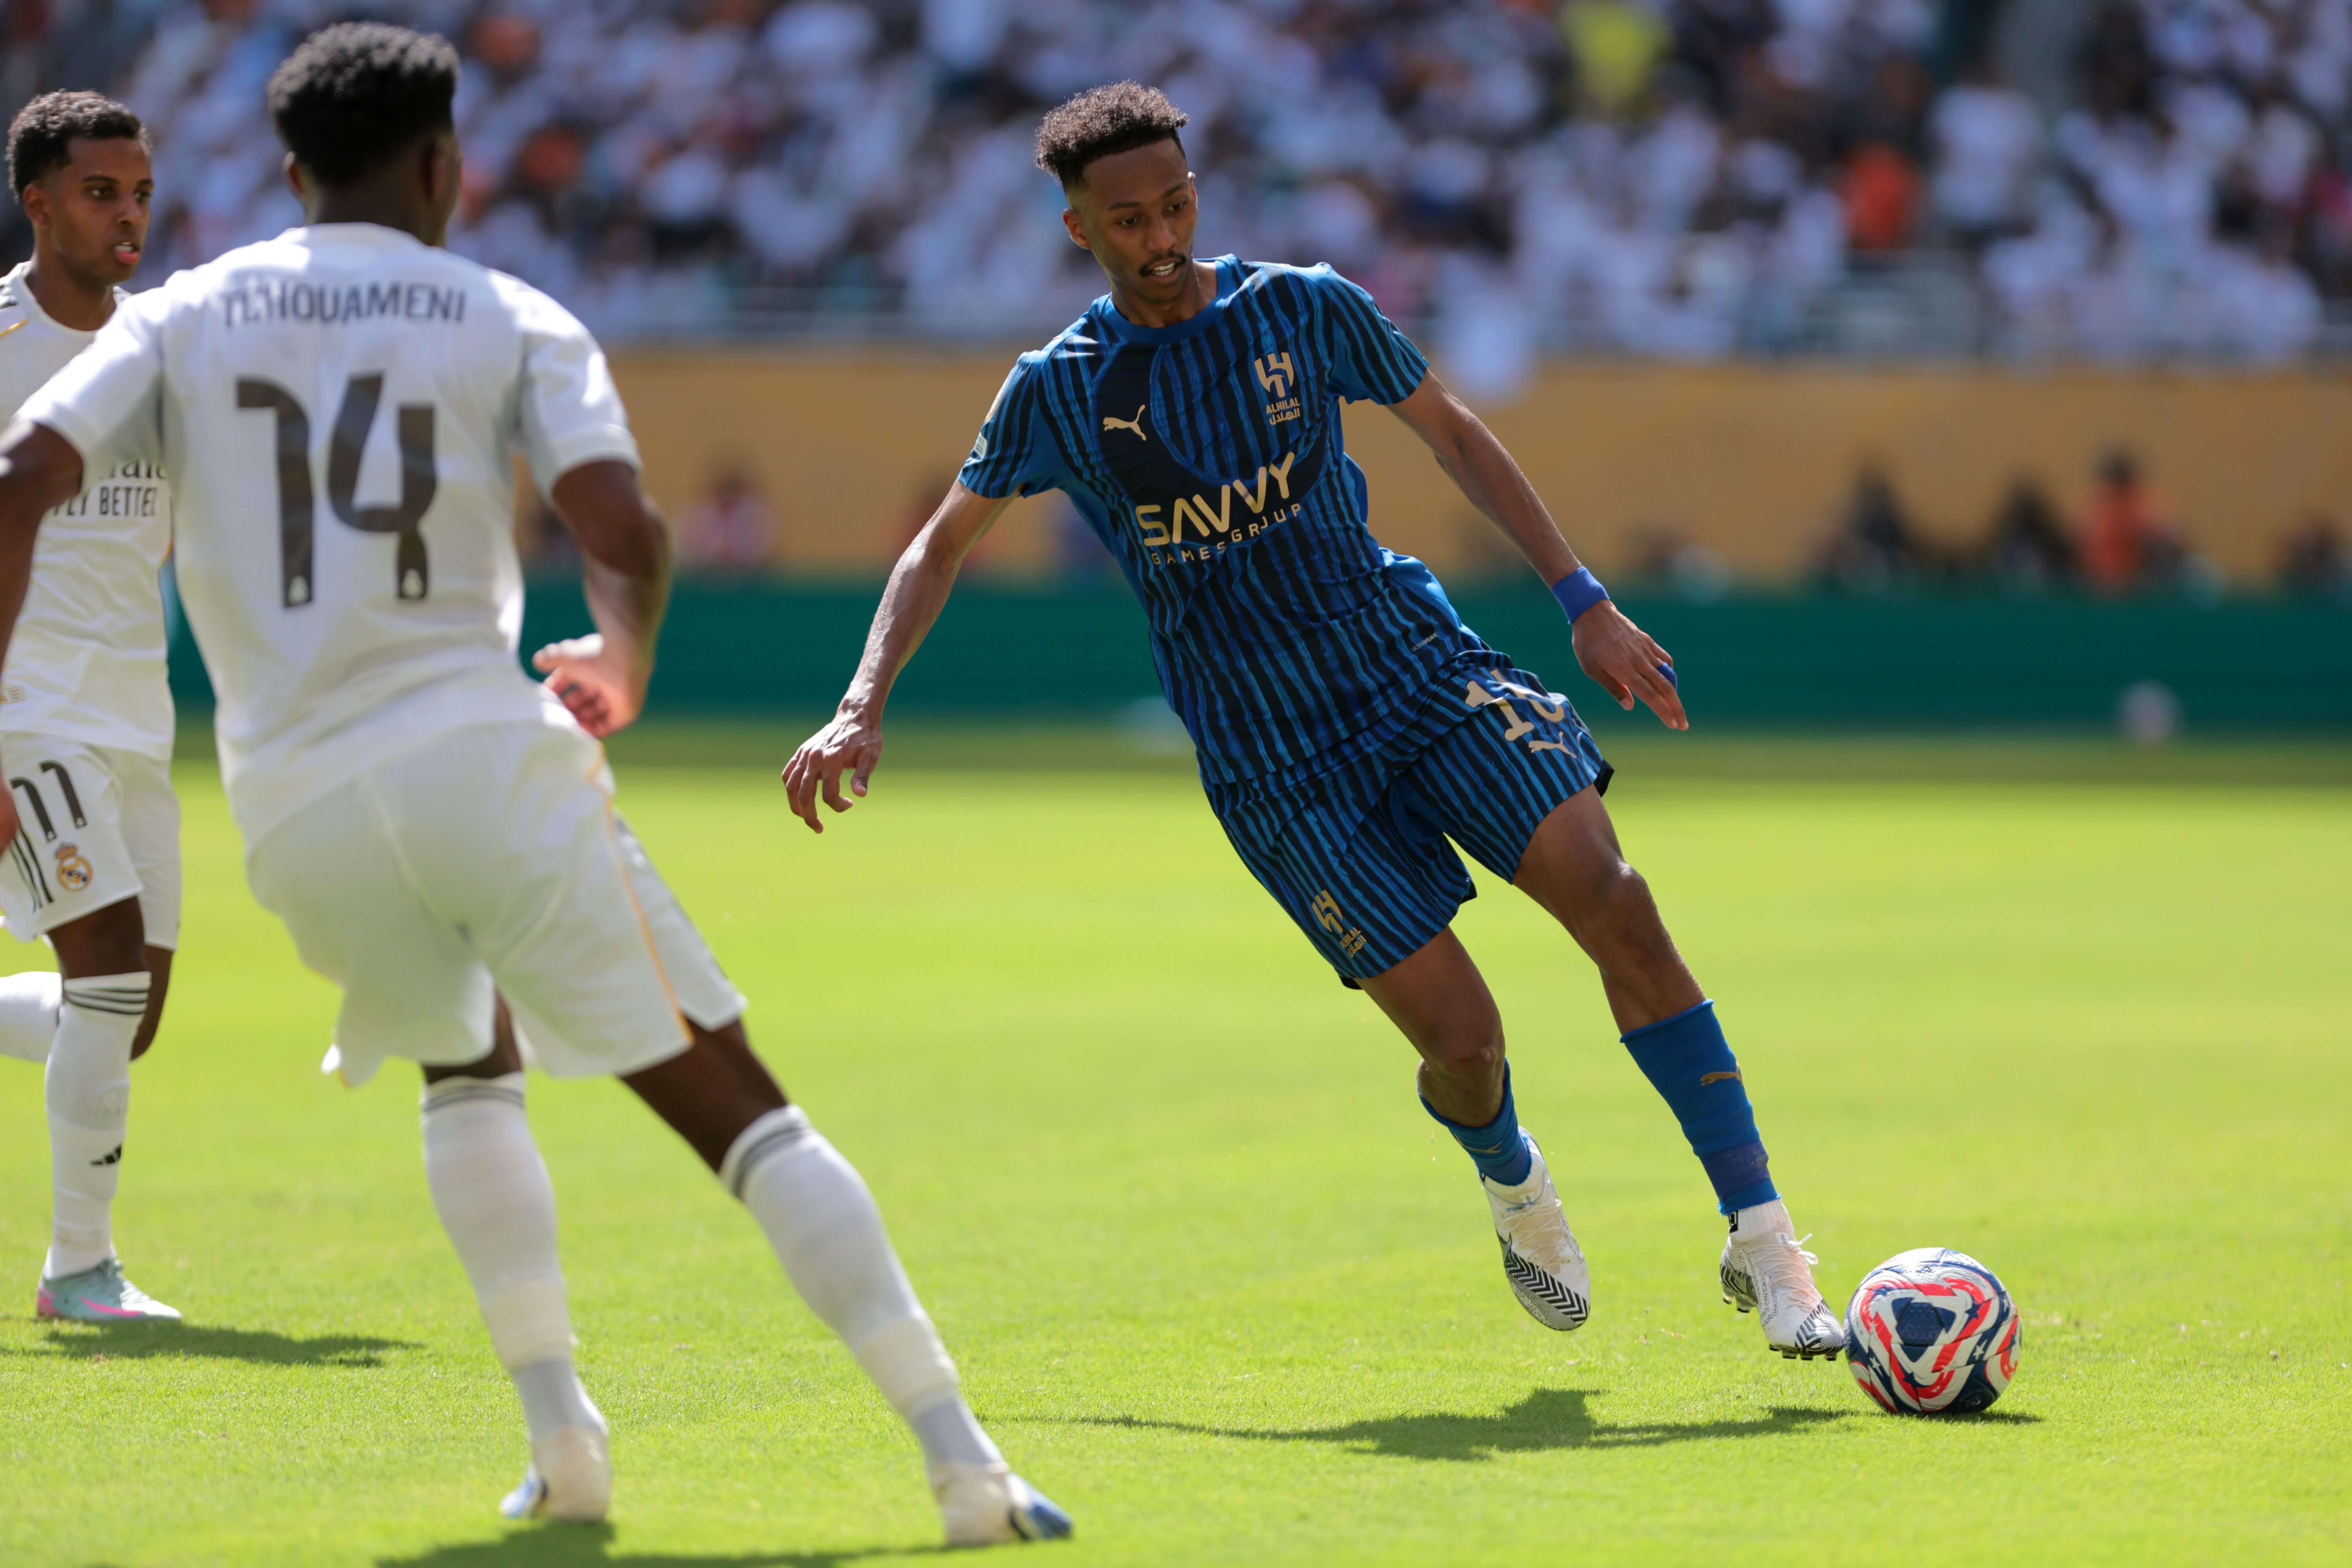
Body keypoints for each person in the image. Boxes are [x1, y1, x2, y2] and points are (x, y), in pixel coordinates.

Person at [0, 25, 1069, 1544]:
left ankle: (563, 1441)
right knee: (737, 1106)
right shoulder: (509, 315)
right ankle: (964, 1462)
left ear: (290, 174)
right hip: (471, 751)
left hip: (295, 814)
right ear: (447, 163)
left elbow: (19, 483)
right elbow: (622, 526)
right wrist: (622, 656)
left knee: (467, 1071)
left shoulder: (180, 314)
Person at [786, 83, 1843, 1363]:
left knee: (1616, 901)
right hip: (1273, 757)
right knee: (1466, 1044)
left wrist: (1584, 602)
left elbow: (1453, 433)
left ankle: (1764, 1238)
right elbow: (937, 549)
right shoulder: (1055, 390)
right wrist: (860, 704)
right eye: (1128, 221)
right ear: (1079, 229)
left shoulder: (1305, 305)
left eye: (1176, 203)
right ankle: (1512, 1177)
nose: (1161, 236)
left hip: (1413, 668)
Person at [0, 91, 180, 1325]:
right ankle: (79, 1270)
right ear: (39, 203)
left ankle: (83, 1268)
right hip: (25, 706)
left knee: (130, 1019)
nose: (126, 217)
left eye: (140, 193)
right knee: (107, 969)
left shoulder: (166, 352)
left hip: (137, 715)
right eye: (99, 192)